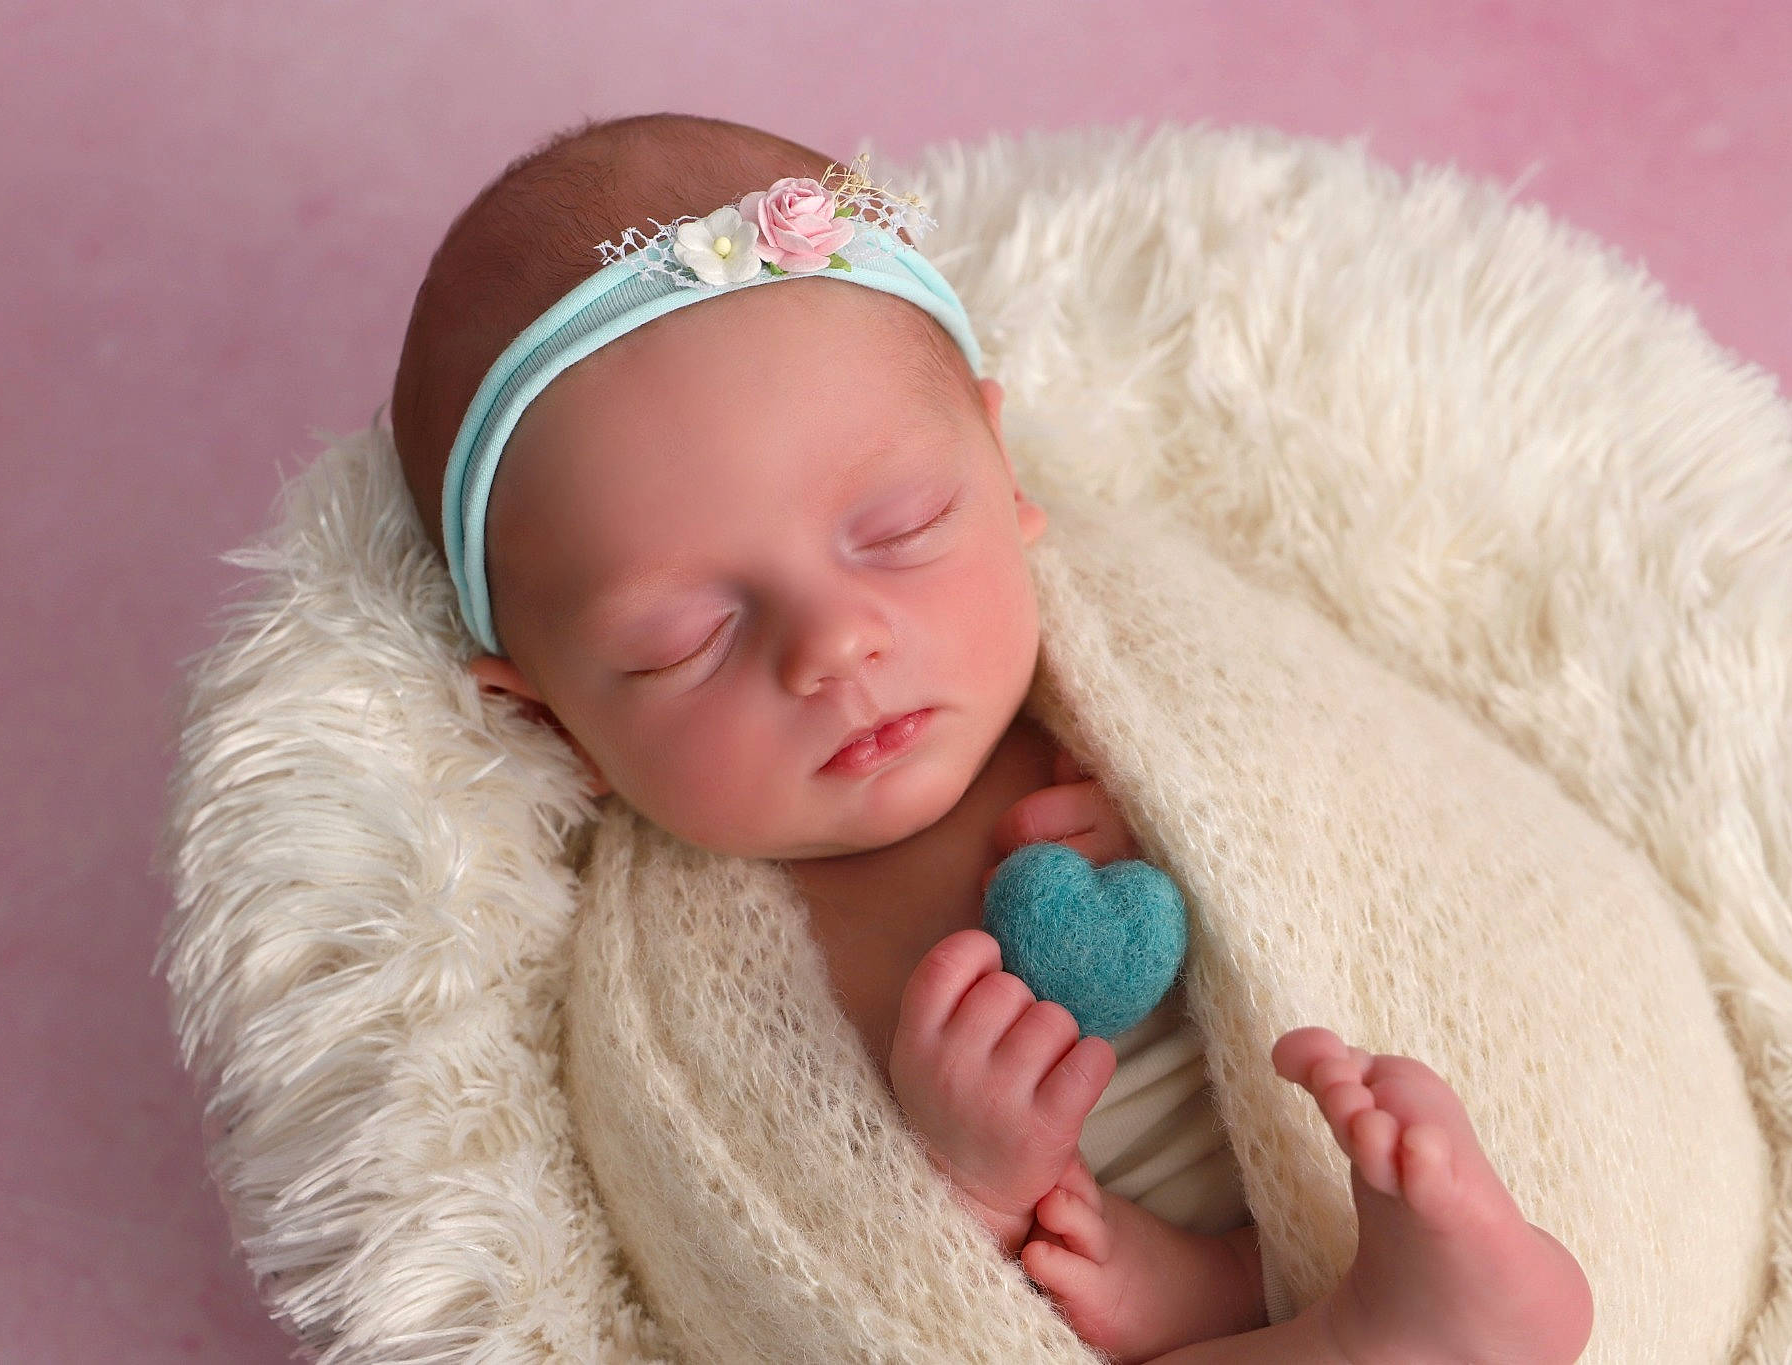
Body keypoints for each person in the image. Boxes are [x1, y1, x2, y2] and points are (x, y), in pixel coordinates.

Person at [388, 110, 1593, 1364]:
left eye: (902, 528)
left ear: (1000, 467)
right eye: (682, 642)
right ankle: (1394, 1334)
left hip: (1327, 1184)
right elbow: (791, 1259)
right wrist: (970, 1187)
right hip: (1115, 1304)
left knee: (1441, 1162)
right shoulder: (677, 989)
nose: (833, 646)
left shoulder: (1124, 685)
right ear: (551, 719)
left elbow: (1334, 803)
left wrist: (1171, 823)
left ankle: (1439, 1288)